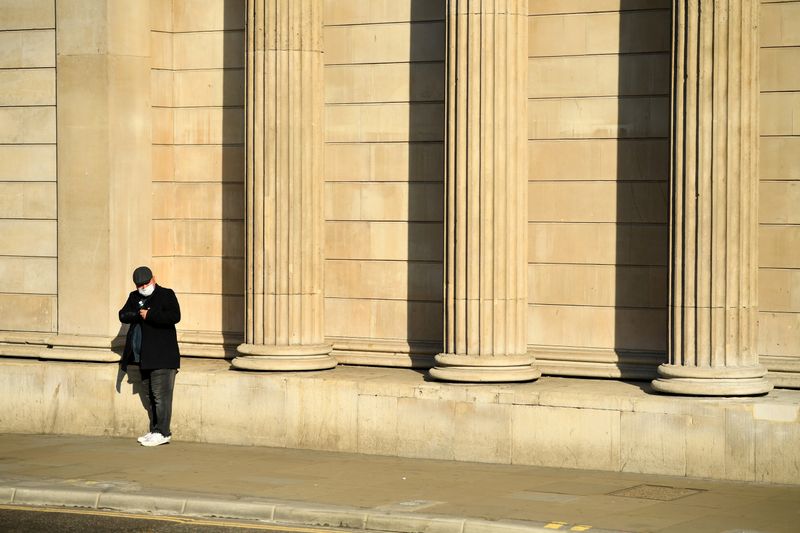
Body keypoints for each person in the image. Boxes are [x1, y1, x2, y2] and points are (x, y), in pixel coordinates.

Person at [118, 266, 181, 447]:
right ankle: (155, 430)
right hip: (142, 358)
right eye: (140, 285)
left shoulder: (166, 294)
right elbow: (123, 315)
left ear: (154, 279)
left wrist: (150, 314)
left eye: (147, 283)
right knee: (150, 396)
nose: (144, 287)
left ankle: (163, 432)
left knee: (161, 397)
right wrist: (139, 315)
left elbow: (174, 316)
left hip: (163, 357)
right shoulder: (134, 297)